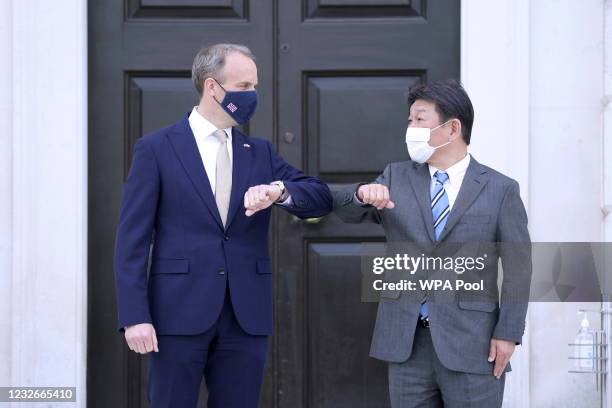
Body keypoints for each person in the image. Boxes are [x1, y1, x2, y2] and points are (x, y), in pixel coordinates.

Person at [113, 43, 332, 408]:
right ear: (212, 87)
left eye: (254, 86)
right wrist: (135, 316)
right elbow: (131, 241)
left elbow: (319, 196)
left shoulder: (259, 152)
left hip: (245, 318)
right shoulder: (155, 149)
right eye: (244, 87)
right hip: (176, 314)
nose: (253, 95)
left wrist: (279, 191)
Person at [333, 79, 531, 407]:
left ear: (452, 129)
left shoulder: (500, 189)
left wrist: (508, 333)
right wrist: (360, 193)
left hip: (474, 342)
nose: (410, 128)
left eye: (420, 119)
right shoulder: (396, 177)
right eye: (409, 120)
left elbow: (519, 267)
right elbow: (348, 209)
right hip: (407, 342)